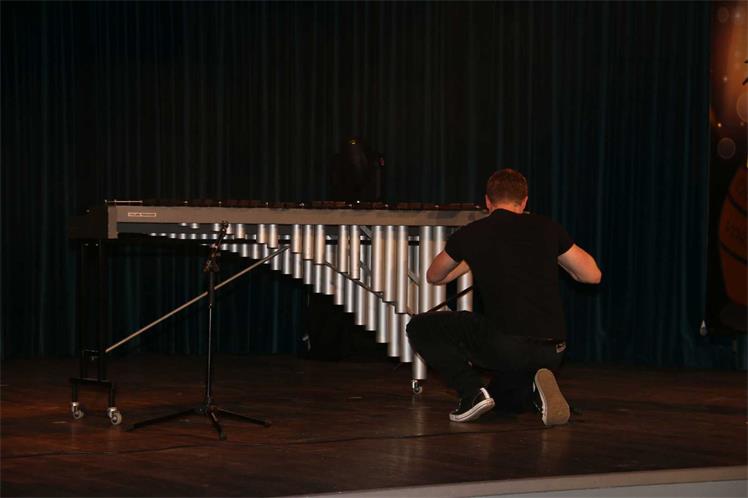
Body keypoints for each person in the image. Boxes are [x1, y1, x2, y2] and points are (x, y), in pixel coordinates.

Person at [406, 169, 601, 425]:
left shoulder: (473, 233)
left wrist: (472, 257)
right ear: (524, 201)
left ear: (487, 201)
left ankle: (471, 392)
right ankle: (535, 391)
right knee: (502, 401)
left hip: (507, 347)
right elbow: (592, 276)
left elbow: (435, 275)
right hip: (553, 350)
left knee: (419, 326)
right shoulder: (548, 228)